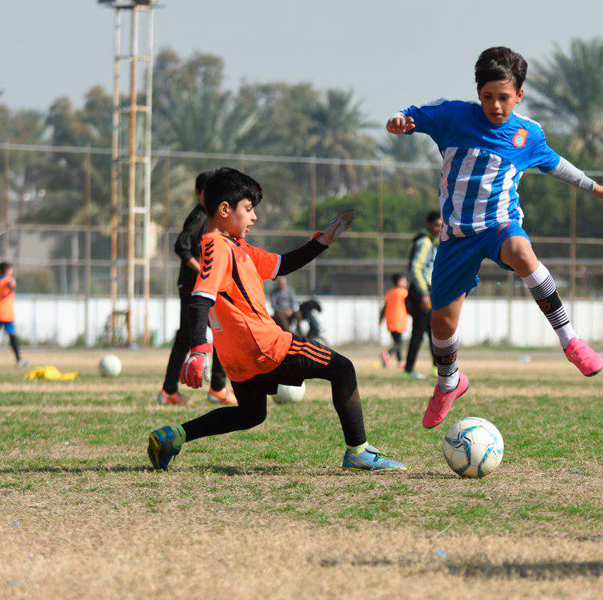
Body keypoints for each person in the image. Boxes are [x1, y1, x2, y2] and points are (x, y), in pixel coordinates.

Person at [386, 46, 603, 429]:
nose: (495, 106)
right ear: (477, 92)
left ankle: (571, 341)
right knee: (441, 325)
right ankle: (449, 381)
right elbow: (414, 115)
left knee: (521, 249)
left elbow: (555, 163)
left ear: (519, 95)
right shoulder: (453, 116)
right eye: (487, 97)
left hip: (500, 225)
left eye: (504, 98)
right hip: (456, 237)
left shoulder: (527, 134)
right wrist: (400, 122)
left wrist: (596, 188)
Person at [147, 168, 405, 472]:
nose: (254, 217)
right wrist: (200, 350)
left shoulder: (237, 248)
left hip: (238, 359)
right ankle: (358, 451)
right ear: (225, 209)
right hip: (266, 346)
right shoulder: (217, 247)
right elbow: (201, 297)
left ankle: (173, 436)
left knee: (251, 415)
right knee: (343, 369)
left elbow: (282, 265)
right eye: (248, 209)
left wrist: (321, 241)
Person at [159, 172, 231, 406]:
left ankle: (170, 391)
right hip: (194, 288)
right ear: (199, 194)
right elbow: (181, 246)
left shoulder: (206, 216)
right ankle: (217, 389)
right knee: (222, 332)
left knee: (187, 338)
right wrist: (203, 270)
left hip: (195, 287)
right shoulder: (199, 217)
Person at [404, 211, 441, 377]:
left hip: (427, 291)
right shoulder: (424, 242)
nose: (439, 228)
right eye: (436, 225)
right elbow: (415, 268)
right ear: (428, 225)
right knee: (418, 332)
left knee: (433, 331)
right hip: (421, 292)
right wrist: (424, 293)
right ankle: (409, 369)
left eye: (441, 225)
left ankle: (438, 367)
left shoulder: (432, 242)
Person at [0, 262, 27, 368]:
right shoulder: (8, 280)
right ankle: (19, 361)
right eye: (11, 270)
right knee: (12, 336)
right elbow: (12, 285)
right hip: (6, 313)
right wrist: (12, 283)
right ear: (7, 270)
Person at [380, 274, 410, 372]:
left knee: (397, 341)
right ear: (399, 282)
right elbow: (409, 305)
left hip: (390, 320)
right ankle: (387, 354)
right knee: (399, 342)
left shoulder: (389, 293)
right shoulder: (404, 293)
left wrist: (380, 319)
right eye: (404, 280)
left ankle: (400, 362)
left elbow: (384, 307)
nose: (405, 282)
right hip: (399, 320)